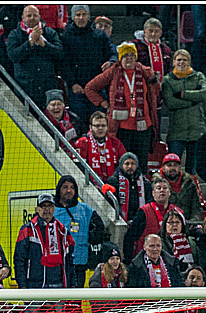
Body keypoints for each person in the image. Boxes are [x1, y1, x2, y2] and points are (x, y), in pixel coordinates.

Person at [84, 42, 160, 173]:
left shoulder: (145, 72)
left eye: (132, 55)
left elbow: (156, 93)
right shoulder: (114, 71)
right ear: (120, 58)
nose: (129, 58)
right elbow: (90, 88)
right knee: (123, 164)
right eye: (125, 56)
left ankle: (139, 190)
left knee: (141, 164)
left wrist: (154, 80)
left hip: (143, 125)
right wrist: (104, 104)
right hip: (122, 127)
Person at [60, 5, 115, 125]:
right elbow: (64, 63)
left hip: (98, 88)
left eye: (84, 14)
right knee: (78, 122)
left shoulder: (100, 35)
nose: (81, 18)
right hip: (77, 89)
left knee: (99, 121)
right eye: (78, 15)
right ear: (73, 17)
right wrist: (72, 83)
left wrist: (111, 62)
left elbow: (113, 53)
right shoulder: (66, 37)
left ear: (88, 17)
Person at [6, 5, 64, 107]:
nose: (32, 18)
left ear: (39, 17)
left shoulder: (50, 33)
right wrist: (30, 43)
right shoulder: (14, 34)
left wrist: (44, 45)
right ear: (22, 18)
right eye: (29, 15)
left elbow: (59, 54)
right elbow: (13, 56)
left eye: (35, 15)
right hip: (24, 87)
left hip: (47, 87)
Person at [14, 193, 74, 288]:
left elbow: (69, 260)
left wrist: (72, 284)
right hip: (34, 287)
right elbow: (19, 260)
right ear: (38, 209)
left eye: (49, 206)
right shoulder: (27, 230)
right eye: (43, 206)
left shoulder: (62, 231)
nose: (47, 210)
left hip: (59, 287)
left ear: (54, 208)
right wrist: (22, 286)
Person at [162, 51, 206, 173]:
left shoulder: (198, 76)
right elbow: (170, 102)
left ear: (189, 62)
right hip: (176, 132)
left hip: (196, 130)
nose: (181, 62)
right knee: (172, 169)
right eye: (179, 60)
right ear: (173, 62)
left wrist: (183, 94)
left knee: (192, 171)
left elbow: (204, 94)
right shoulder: (167, 80)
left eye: (184, 60)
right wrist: (193, 101)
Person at [53, 175, 105, 284]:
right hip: (56, 264)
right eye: (65, 187)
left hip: (79, 263)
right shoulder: (51, 210)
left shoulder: (85, 209)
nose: (69, 190)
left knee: (76, 299)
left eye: (72, 187)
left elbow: (100, 230)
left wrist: (86, 238)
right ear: (59, 190)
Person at [126, 178, 179, 259]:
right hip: (146, 259)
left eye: (165, 188)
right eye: (158, 188)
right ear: (153, 193)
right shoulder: (143, 212)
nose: (162, 190)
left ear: (169, 193)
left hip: (172, 258)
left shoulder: (177, 212)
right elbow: (130, 237)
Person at [72, 111, 127, 181]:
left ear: (107, 127)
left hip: (112, 185)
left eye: (103, 125)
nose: (100, 128)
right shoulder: (82, 143)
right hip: (90, 184)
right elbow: (76, 167)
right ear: (90, 127)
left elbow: (124, 164)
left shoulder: (115, 143)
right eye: (97, 126)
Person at [105, 153, 152, 225]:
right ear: (121, 165)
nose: (130, 166)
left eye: (133, 163)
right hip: (121, 221)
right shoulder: (113, 181)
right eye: (127, 164)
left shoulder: (145, 183)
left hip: (140, 223)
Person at [134, 17, 172, 83]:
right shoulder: (134, 46)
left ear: (160, 33)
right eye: (150, 31)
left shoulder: (166, 49)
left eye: (156, 31)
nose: (153, 34)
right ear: (144, 32)